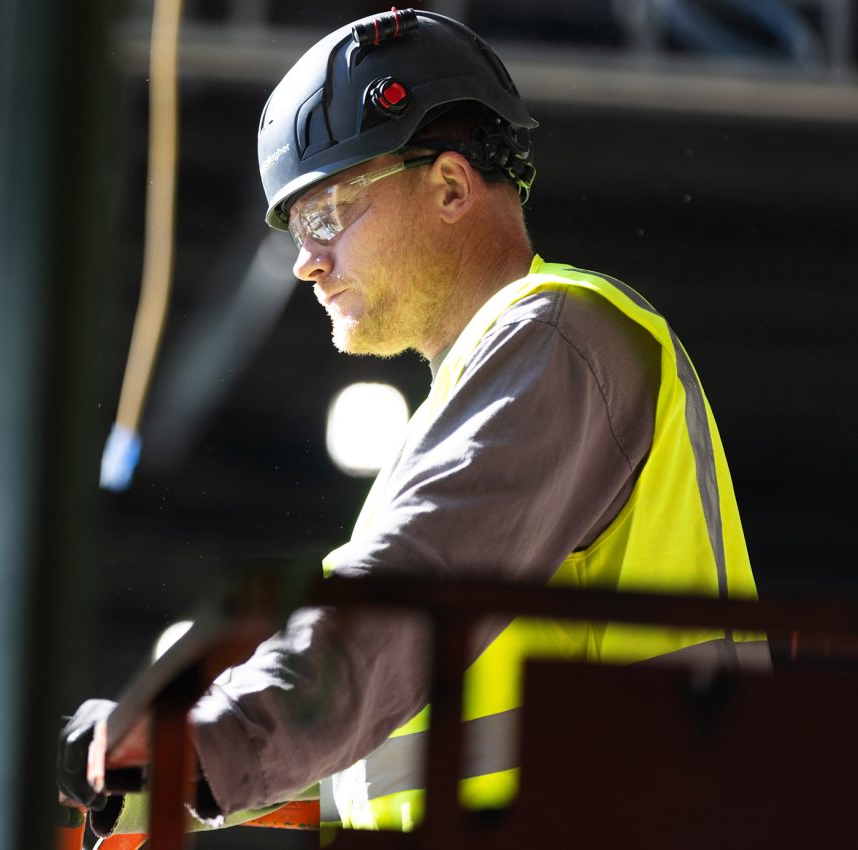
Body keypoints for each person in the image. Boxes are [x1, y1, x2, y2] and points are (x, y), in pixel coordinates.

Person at [58, 7, 770, 837]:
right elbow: (417, 725)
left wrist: (205, 735)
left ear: (451, 187)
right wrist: (174, 765)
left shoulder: (558, 338)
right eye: (295, 228)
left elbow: (400, 604)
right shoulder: (484, 387)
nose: (304, 260)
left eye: (326, 214)